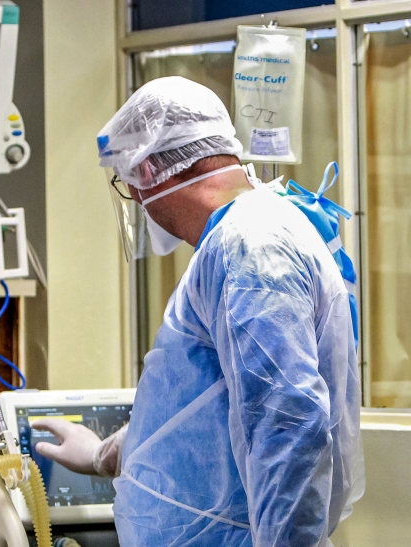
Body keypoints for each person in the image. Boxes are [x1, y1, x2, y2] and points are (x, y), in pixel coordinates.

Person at [33, 76, 364, 546]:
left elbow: (286, 428)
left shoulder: (250, 247)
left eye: (131, 187)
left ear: (146, 172)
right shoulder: (245, 237)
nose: (139, 203)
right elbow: (205, 406)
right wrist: (105, 454)